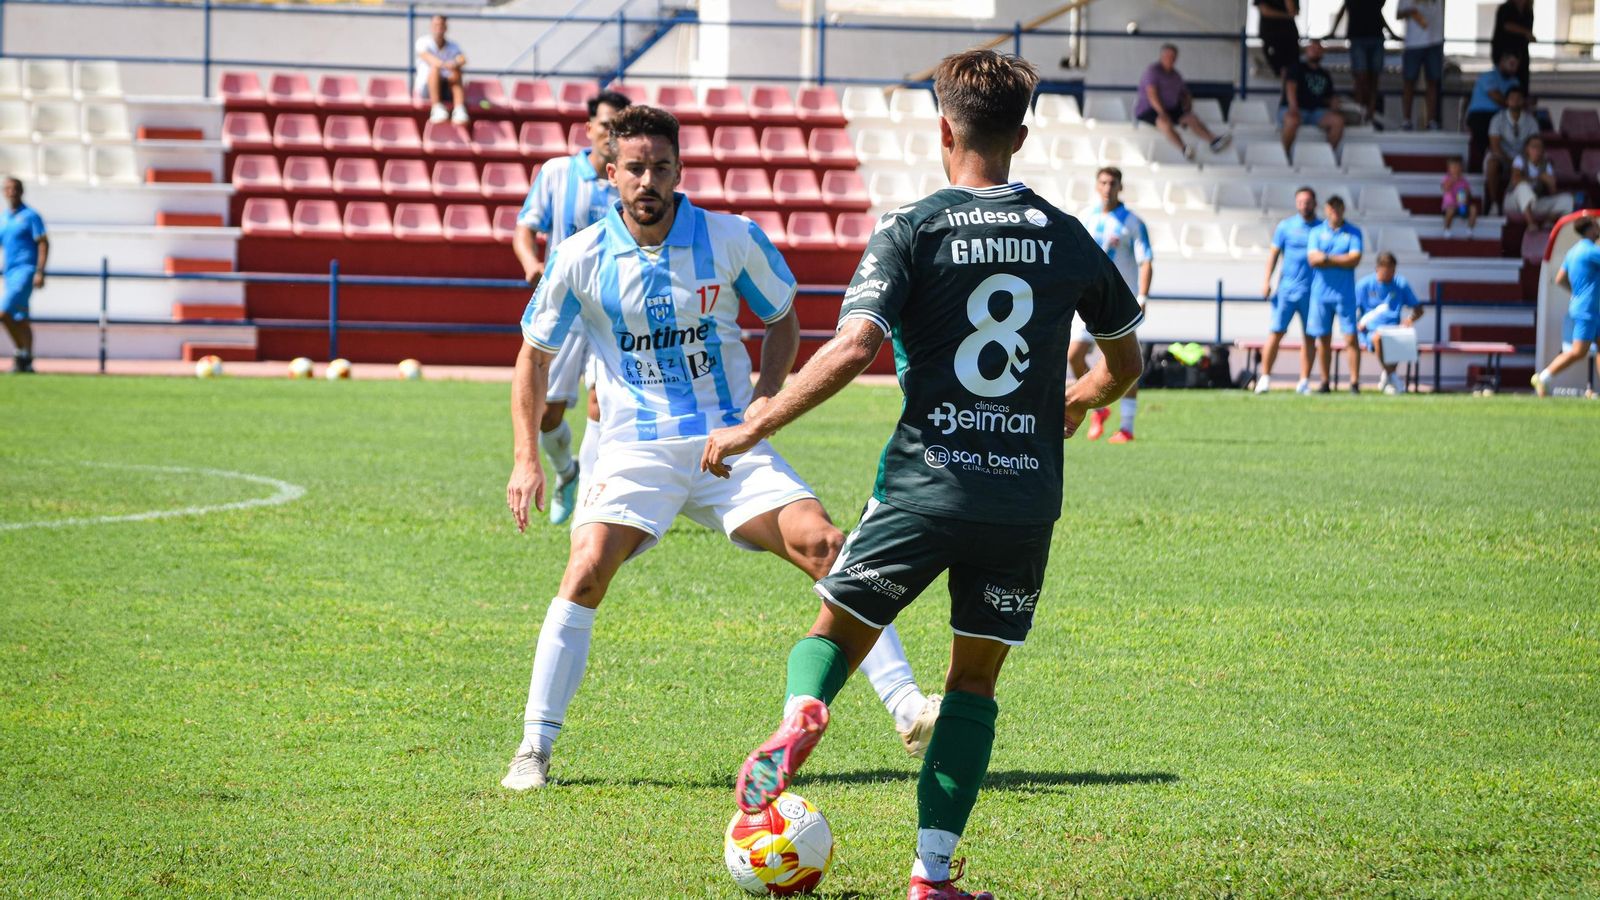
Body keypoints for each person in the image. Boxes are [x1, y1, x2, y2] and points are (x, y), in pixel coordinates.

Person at [704, 49, 1145, 900]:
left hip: (923, 486)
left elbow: (854, 347)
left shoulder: (913, 228)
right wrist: (1073, 401)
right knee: (971, 683)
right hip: (1020, 499)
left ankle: (802, 719)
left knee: (836, 636)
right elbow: (1125, 362)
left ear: (943, 130)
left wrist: (754, 421)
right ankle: (932, 876)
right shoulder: (1067, 233)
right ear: (1021, 134)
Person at [501, 105, 935, 793]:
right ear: (609, 172)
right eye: (635, 168)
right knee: (585, 568)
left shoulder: (731, 238)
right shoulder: (580, 256)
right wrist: (528, 457)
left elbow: (784, 319)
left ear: (679, 170)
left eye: (662, 167)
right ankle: (533, 749)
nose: (649, 180)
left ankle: (910, 708)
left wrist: (762, 404)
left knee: (827, 545)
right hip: (632, 449)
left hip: (727, 443)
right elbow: (533, 355)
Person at [513, 90, 631, 525]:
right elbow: (525, 228)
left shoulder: (633, 179)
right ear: (589, 129)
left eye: (621, 127)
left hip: (613, 313)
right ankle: (568, 472)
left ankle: (594, 503)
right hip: (565, 310)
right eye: (606, 126)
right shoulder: (558, 173)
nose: (612, 135)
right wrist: (531, 264)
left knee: (603, 404)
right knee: (548, 416)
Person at [1071, 166, 1150, 440]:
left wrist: (1142, 296)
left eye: (1113, 183)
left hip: (1120, 304)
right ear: (1097, 186)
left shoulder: (1132, 222)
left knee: (1127, 362)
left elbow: (1146, 260)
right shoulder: (1086, 218)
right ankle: (1098, 406)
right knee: (1074, 356)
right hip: (1087, 302)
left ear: (1120, 187)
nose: (1107, 187)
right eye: (1103, 182)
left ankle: (1126, 427)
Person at [1258, 186, 1322, 394]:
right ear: (1296, 203)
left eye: (1308, 202)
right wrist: (1267, 280)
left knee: (1310, 337)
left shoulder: (1322, 228)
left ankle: (1304, 381)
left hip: (1311, 293)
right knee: (1276, 333)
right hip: (1286, 290)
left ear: (1315, 203)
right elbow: (1274, 255)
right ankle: (1265, 377)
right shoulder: (1285, 227)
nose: (1304, 205)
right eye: (1301, 202)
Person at [1532, 217, 1600, 397]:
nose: (1598, 227)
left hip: (1584, 306)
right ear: (1590, 229)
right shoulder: (1592, 251)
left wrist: (1576, 292)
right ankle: (1544, 377)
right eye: (1596, 225)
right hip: (1588, 309)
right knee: (1578, 351)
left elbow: (1560, 278)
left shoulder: (1573, 251)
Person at [1134, 44, 1231, 161]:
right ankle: (1184, 149)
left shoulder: (1176, 75)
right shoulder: (1153, 71)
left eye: (1173, 56)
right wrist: (1162, 112)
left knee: (1191, 118)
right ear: (1162, 56)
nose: (1170, 59)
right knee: (1163, 122)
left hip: (1171, 109)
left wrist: (1187, 105)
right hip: (1150, 110)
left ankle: (1213, 141)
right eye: (1167, 56)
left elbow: (1185, 93)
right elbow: (1152, 94)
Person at [1307, 195, 1364, 392]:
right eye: (1331, 208)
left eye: (1338, 208)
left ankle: (1354, 382)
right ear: (1326, 210)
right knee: (1323, 339)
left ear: (1343, 209)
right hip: (1321, 295)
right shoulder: (1316, 232)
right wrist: (1341, 259)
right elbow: (1313, 259)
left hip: (1344, 294)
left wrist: (1327, 259)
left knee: (1350, 338)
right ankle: (1324, 382)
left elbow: (1355, 259)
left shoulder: (1353, 232)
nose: (1335, 212)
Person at [1353, 251, 1425, 394]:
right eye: (1386, 270)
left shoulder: (1400, 284)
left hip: (1394, 329)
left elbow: (1419, 309)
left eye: (1392, 270)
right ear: (1377, 269)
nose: (1389, 274)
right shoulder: (1364, 285)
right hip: (1371, 331)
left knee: (1397, 337)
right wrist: (1357, 323)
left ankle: (1388, 376)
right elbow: (1351, 310)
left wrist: (1409, 320)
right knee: (1379, 337)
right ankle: (1392, 377)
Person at [2, 177, 47, 374]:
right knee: (20, 318)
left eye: (14, 188)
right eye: (7, 188)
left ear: (21, 191)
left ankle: (20, 353)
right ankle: (26, 360)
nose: (11, 192)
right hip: (10, 273)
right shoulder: (4, 218)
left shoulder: (31, 216)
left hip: (26, 271)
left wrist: (39, 270)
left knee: (3, 313)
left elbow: (43, 242)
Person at [1326, 0, 1397, 126]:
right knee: (1361, 77)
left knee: (1373, 78)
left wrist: (1392, 33)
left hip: (1375, 37)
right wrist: (1332, 32)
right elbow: (1343, 10)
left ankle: (1369, 112)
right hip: (1358, 38)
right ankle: (1359, 112)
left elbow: (1377, 13)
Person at [1279, 40, 1345, 156]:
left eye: (1318, 49)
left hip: (1316, 112)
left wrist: (1333, 103)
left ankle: (1325, 156)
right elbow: (1290, 88)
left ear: (1323, 53)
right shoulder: (1297, 67)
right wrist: (1293, 107)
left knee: (1338, 121)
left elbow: (1327, 97)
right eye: (1312, 48)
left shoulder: (1325, 74)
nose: (1315, 51)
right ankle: (1284, 155)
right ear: (1306, 51)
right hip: (1295, 109)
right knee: (1291, 121)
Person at [1484, 83, 1539, 215]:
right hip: (1503, 157)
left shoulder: (1531, 121)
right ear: (1507, 100)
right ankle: (1493, 204)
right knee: (1492, 164)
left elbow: (1534, 144)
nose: (1515, 101)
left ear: (1523, 101)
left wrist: (1519, 162)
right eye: (1512, 98)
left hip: (1523, 159)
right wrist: (1510, 162)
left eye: (1518, 98)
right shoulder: (1497, 119)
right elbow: (1495, 146)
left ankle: (1527, 206)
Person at [1465, 54, 1520, 174]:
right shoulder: (1488, 76)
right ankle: (1477, 169)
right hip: (1480, 115)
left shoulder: (1514, 81)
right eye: (1511, 64)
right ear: (1501, 62)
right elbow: (1496, 96)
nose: (1513, 69)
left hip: (1502, 116)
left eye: (1516, 65)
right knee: (1482, 136)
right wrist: (1514, 102)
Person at [1506, 136, 1575, 228]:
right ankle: (1531, 224)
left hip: (1534, 202)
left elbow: (1552, 194)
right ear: (1527, 149)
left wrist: (1551, 183)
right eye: (1534, 147)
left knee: (1567, 200)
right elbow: (1515, 180)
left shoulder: (1546, 165)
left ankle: (1548, 223)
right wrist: (1539, 178)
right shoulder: (1520, 160)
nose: (1537, 150)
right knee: (1523, 187)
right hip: (1513, 201)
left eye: (1540, 147)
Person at [1397, 0, 1445, 130]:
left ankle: (1431, 120)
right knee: (1409, 81)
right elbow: (1398, 14)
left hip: (1435, 41)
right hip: (1413, 43)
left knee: (1433, 81)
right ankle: (1406, 120)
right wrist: (1411, 12)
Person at [415, 15, 468, 125]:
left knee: (456, 71)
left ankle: (459, 109)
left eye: (441, 25)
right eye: (436, 25)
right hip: (426, 89)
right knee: (434, 69)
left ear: (446, 27)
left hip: (447, 88)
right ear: (431, 27)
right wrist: (445, 64)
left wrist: (455, 64)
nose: (438, 28)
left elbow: (462, 59)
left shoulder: (453, 45)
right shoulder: (423, 42)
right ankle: (436, 107)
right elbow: (428, 57)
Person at [1491, 0, 1534, 90]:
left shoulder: (1528, 12)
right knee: (1504, 82)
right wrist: (1526, 32)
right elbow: (1507, 25)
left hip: (1521, 53)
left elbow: (1528, 32)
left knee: (1522, 83)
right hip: (1504, 52)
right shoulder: (1505, 9)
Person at [1255, 0, 1302, 77]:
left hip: (1290, 36)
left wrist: (1288, 14)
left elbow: (1294, 12)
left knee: (1292, 72)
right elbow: (1265, 11)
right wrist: (1287, 15)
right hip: (1271, 36)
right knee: (1280, 70)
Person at [1440, 156, 1479, 237]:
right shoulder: (1446, 178)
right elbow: (1445, 188)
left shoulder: (1464, 181)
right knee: (1450, 210)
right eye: (1453, 167)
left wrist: (1466, 193)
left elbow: (1469, 194)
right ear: (1449, 169)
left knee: (1473, 209)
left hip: (1461, 206)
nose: (1456, 170)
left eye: (1458, 167)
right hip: (1449, 206)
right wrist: (1452, 180)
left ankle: (1469, 229)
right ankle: (1447, 229)